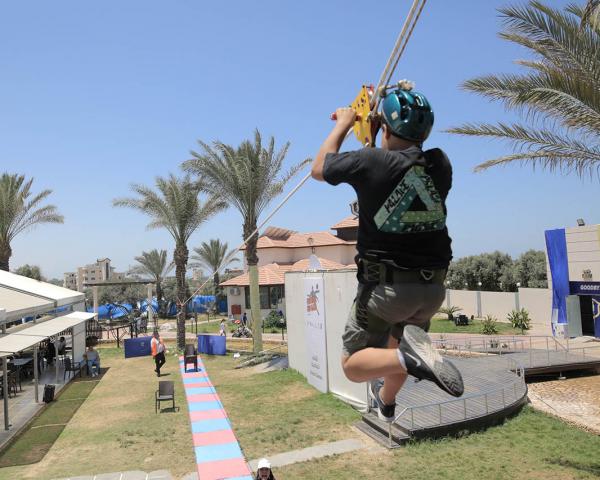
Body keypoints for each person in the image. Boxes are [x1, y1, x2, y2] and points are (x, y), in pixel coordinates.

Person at [311, 81, 464, 422]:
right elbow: (387, 166)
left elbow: (319, 168)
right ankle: (387, 401)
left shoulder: (370, 161)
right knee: (400, 347)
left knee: (353, 364)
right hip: (431, 289)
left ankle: (408, 360)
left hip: (387, 291)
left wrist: (344, 123)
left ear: (387, 126)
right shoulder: (441, 164)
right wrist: (376, 132)